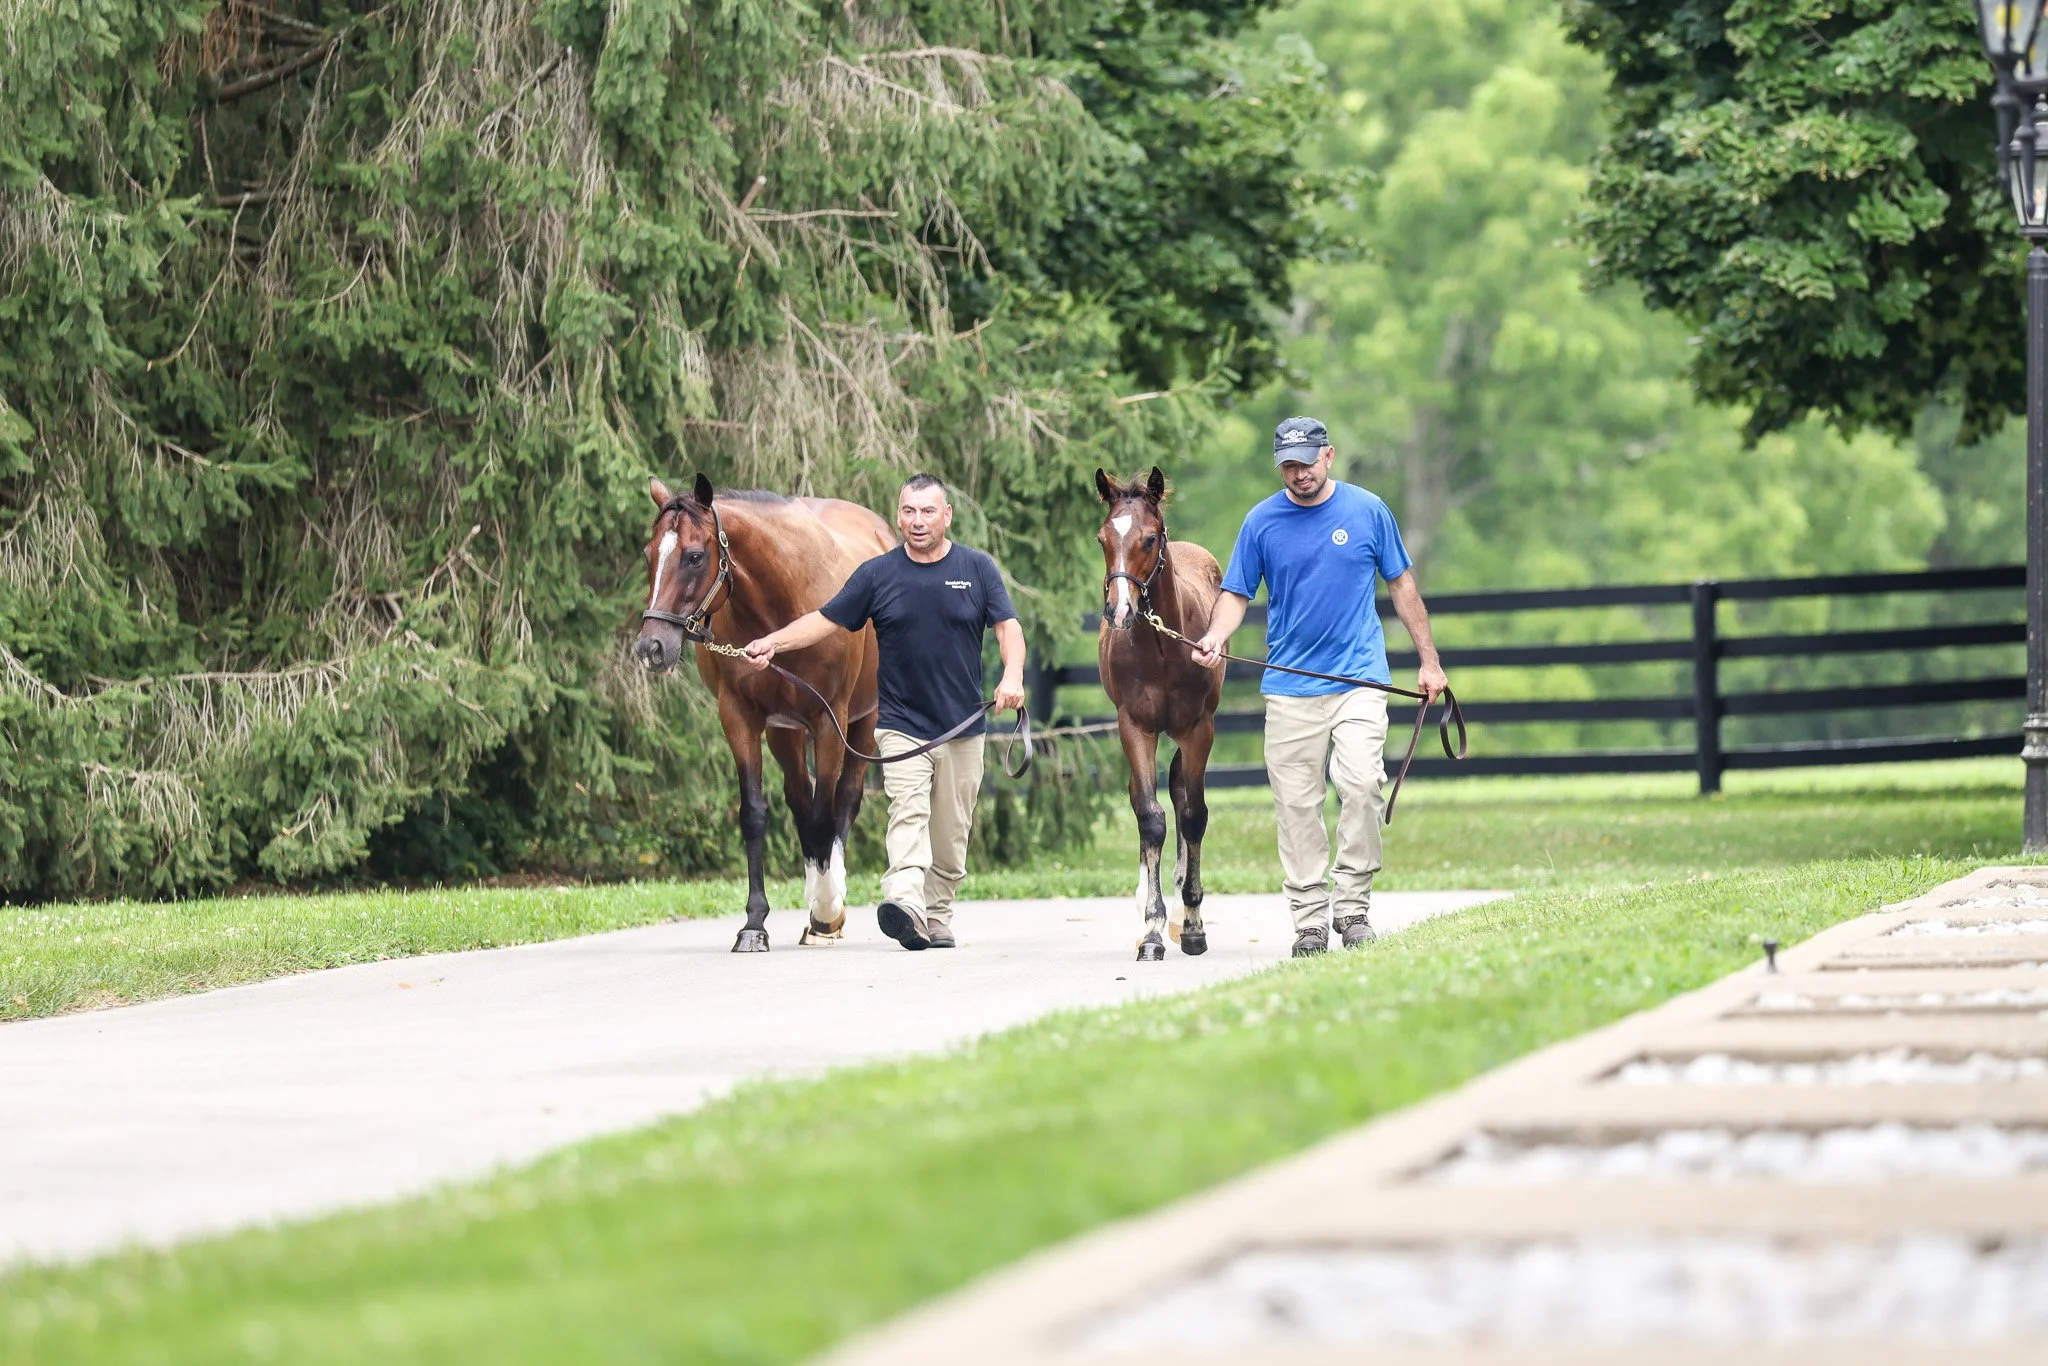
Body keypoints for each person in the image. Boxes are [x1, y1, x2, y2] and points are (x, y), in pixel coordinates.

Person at [1191, 418, 1448, 957]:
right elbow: (1236, 594)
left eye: (1306, 462)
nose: (1298, 473)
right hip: (1289, 686)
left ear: (1328, 455)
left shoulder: (1368, 511)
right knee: (1296, 804)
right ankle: (1309, 920)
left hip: (1359, 679)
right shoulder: (1261, 522)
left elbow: (1401, 584)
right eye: (1288, 465)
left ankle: (1352, 909)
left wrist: (1430, 662)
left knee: (1362, 784)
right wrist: (1214, 636)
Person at [743, 474, 1027, 951]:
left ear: (946, 515)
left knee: (951, 833)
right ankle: (904, 903)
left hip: (962, 725)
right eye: (909, 511)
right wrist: (773, 642)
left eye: (928, 511)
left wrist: (1012, 676)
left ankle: (936, 914)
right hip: (901, 726)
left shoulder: (976, 568)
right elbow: (825, 619)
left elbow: (1008, 627)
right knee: (907, 813)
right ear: (899, 516)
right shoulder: (878, 574)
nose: (918, 521)